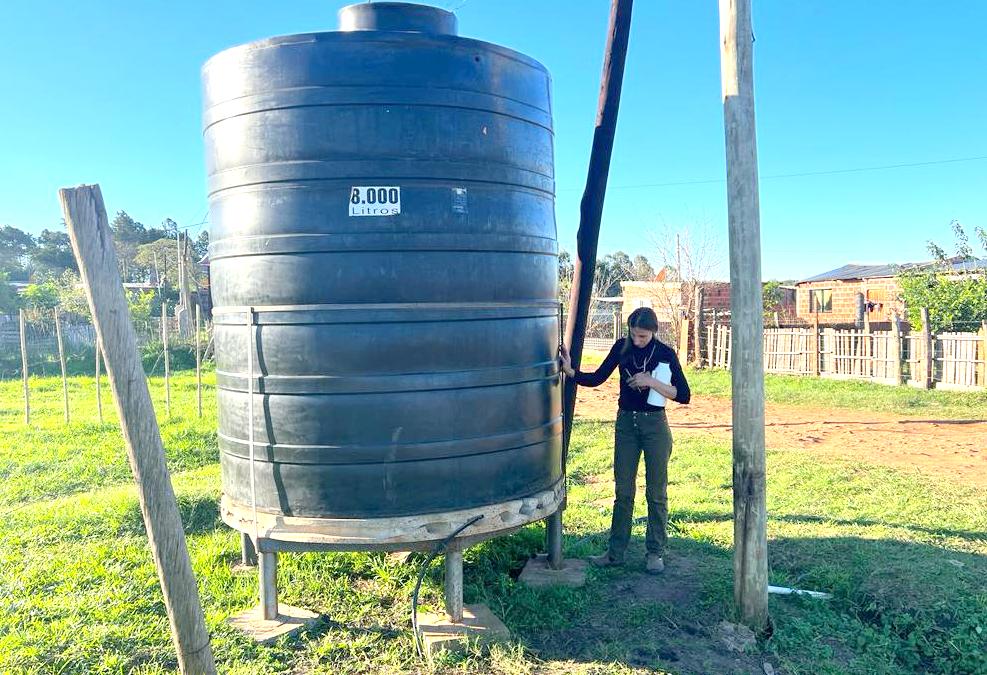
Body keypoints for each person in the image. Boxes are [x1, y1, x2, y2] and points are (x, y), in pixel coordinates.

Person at [559, 307, 691, 574]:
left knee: (656, 493)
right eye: (634, 335)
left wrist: (651, 381)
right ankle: (615, 552)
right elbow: (598, 377)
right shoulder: (622, 347)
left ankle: (655, 553)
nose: (638, 340)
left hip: (655, 425)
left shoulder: (665, 353)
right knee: (623, 492)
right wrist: (571, 371)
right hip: (626, 424)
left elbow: (684, 394)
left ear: (653, 332)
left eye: (643, 336)